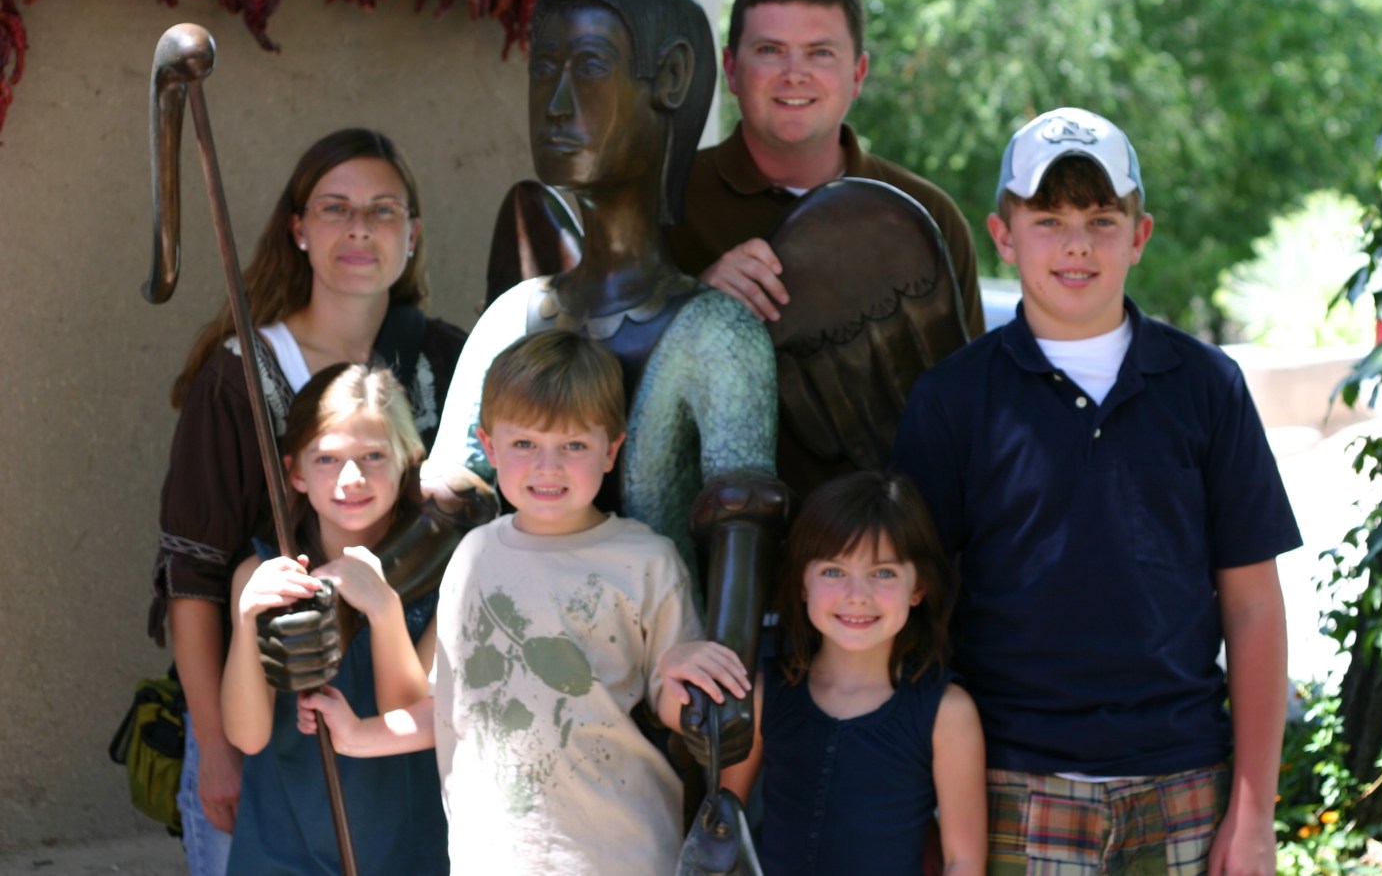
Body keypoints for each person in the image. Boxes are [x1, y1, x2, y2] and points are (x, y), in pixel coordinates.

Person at [892, 107, 1302, 875]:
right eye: (1048, 219)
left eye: (1101, 219)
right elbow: (913, 616)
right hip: (1010, 788)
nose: (1076, 243)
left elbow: (1253, 604)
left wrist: (1254, 811)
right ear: (1002, 235)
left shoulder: (1206, 386)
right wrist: (925, 810)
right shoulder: (953, 400)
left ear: (1140, 235)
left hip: (1184, 783)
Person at [426, 0, 785, 763]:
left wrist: (722, 698)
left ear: (672, 80)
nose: (556, 104)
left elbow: (742, 532)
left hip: (656, 738)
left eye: (588, 66)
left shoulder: (716, 334)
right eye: (543, 70)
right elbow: (445, 507)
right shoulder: (514, 316)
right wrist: (339, 597)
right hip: (512, 728)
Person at [147, 128, 467, 874]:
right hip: (266, 715)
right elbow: (193, 577)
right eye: (334, 208)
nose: (359, 228)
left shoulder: (444, 359)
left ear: (413, 233)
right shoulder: (239, 377)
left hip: (404, 721)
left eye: (383, 209)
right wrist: (216, 748)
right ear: (298, 229)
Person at [299, 331, 726, 873]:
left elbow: (679, 710)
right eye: (525, 444)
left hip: (620, 855)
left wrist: (682, 664)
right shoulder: (474, 556)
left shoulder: (647, 559)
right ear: (490, 446)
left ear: (611, 450)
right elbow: (453, 710)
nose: (548, 466)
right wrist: (358, 736)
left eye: (574, 446)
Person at [663, 0, 984, 497]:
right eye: (770, 50)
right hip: (700, 538)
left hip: (886, 541)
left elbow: (972, 416)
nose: (795, 73)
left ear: (857, 74)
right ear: (731, 70)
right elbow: (595, 393)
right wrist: (693, 309)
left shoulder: (926, 215)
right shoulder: (665, 201)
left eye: (820, 53)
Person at [660, 470, 987, 875]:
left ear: (917, 587)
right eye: (834, 571)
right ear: (802, 582)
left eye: (883, 573)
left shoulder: (948, 714)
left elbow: (963, 861)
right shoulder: (763, 695)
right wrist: (676, 658)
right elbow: (721, 815)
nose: (857, 596)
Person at [221, 363, 446, 875]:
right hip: (283, 848)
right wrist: (247, 620)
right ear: (295, 472)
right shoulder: (262, 574)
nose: (352, 478)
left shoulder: (446, 570)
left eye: (373, 456)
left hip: (408, 847)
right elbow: (248, 736)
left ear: (409, 460)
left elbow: (403, 714)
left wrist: (384, 609)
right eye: (327, 458)